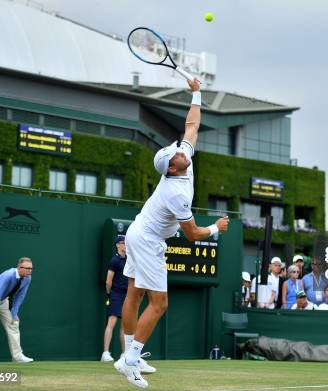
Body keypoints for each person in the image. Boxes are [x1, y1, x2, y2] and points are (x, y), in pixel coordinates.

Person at [116, 78, 230, 389]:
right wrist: (215, 229)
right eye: (176, 155)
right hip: (148, 240)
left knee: (134, 294)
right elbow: (192, 234)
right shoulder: (176, 193)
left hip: (138, 231)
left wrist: (196, 91)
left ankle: (128, 354)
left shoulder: (183, 158)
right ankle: (130, 360)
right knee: (159, 303)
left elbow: (191, 125)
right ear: (172, 169)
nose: (180, 149)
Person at [101, 235, 132, 363]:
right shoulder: (114, 260)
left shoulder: (129, 260)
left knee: (124, 326)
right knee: (111, 323)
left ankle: (124, 354)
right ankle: (105, 353)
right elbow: (108, 281)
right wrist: (110, 294)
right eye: (123, 243)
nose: (125, 245)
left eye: (126, 242)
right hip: (115, 294)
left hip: (127, 295)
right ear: (117, 245)